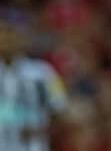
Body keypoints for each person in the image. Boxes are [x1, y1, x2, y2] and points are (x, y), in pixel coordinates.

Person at [0, 19, 66, 151]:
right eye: (3, 36)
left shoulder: (43, 72)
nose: (7, 41)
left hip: (33, 146)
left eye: (12, 36)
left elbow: (59, 107)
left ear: (22, 40)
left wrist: (41, 129)